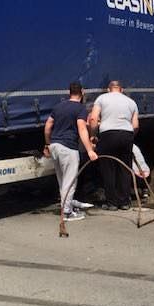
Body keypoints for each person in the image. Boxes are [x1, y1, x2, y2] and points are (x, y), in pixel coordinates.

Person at [44, 82, 98, 221]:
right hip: (68, 148)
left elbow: (48, 126)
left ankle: (66, 205)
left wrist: (48, 143)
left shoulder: (58, 106)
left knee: (62, 181)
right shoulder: (80, 108)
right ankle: (67, 212)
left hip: (55, 146)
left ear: (69, 92)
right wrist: (90, 150)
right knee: (70, 181)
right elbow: (81, 129)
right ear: (82, 92)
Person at [89, 80, 138, 210]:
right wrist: (130, 136)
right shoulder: (131, 102)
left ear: (108, 89)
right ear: (121, 90)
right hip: (126, 134)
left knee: (108, 167)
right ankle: (124, 202)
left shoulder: (102, 98)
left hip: (107, 134)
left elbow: (93, 119)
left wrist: (93, 135)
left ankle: (112, 202)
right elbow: (136, 125)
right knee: (125, 167)